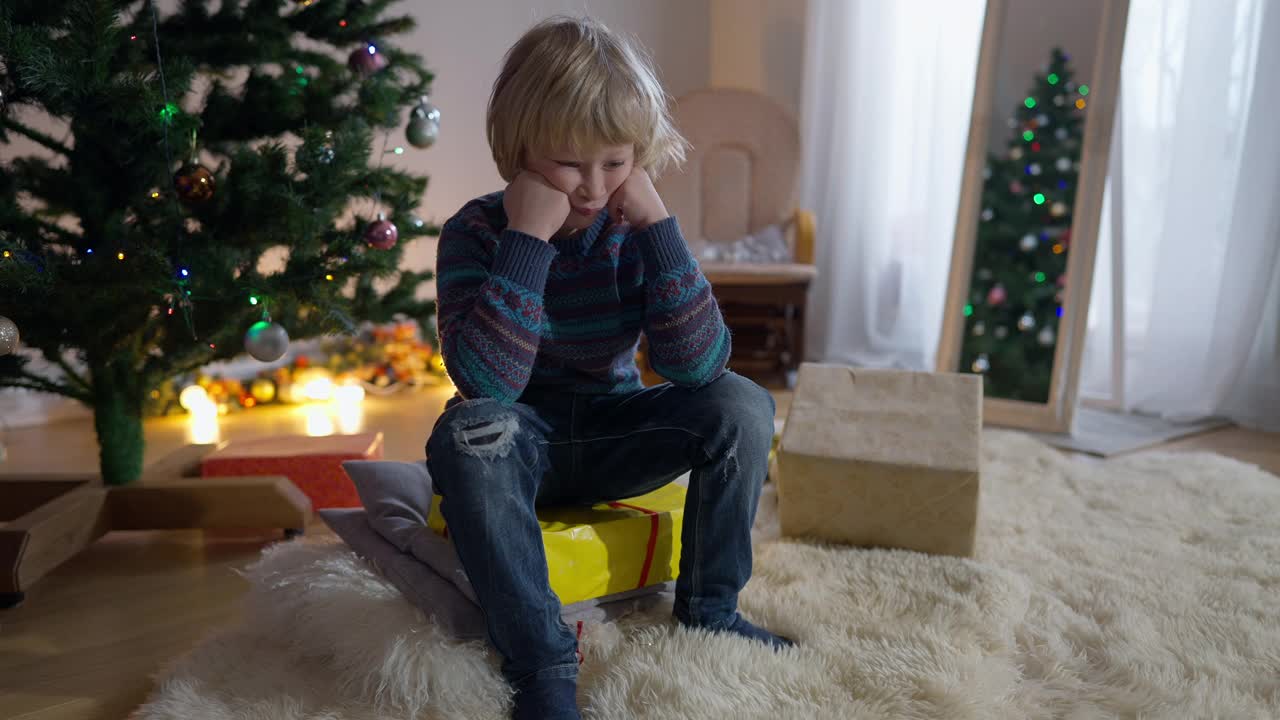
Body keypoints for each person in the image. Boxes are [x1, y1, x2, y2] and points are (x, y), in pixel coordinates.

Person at [425, 15, 792, 720]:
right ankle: (542, 663)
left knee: (743, 403)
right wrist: (527, 240)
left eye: (616, 162)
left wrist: (658, 230)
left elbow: (698, 368)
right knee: (467, 432)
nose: (593, 188)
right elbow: (488, 385)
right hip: (516, 441)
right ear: (520, 146)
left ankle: (711, 609)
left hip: (614, 432)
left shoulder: (633, 230)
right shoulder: (474, 233)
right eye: (568, 163)